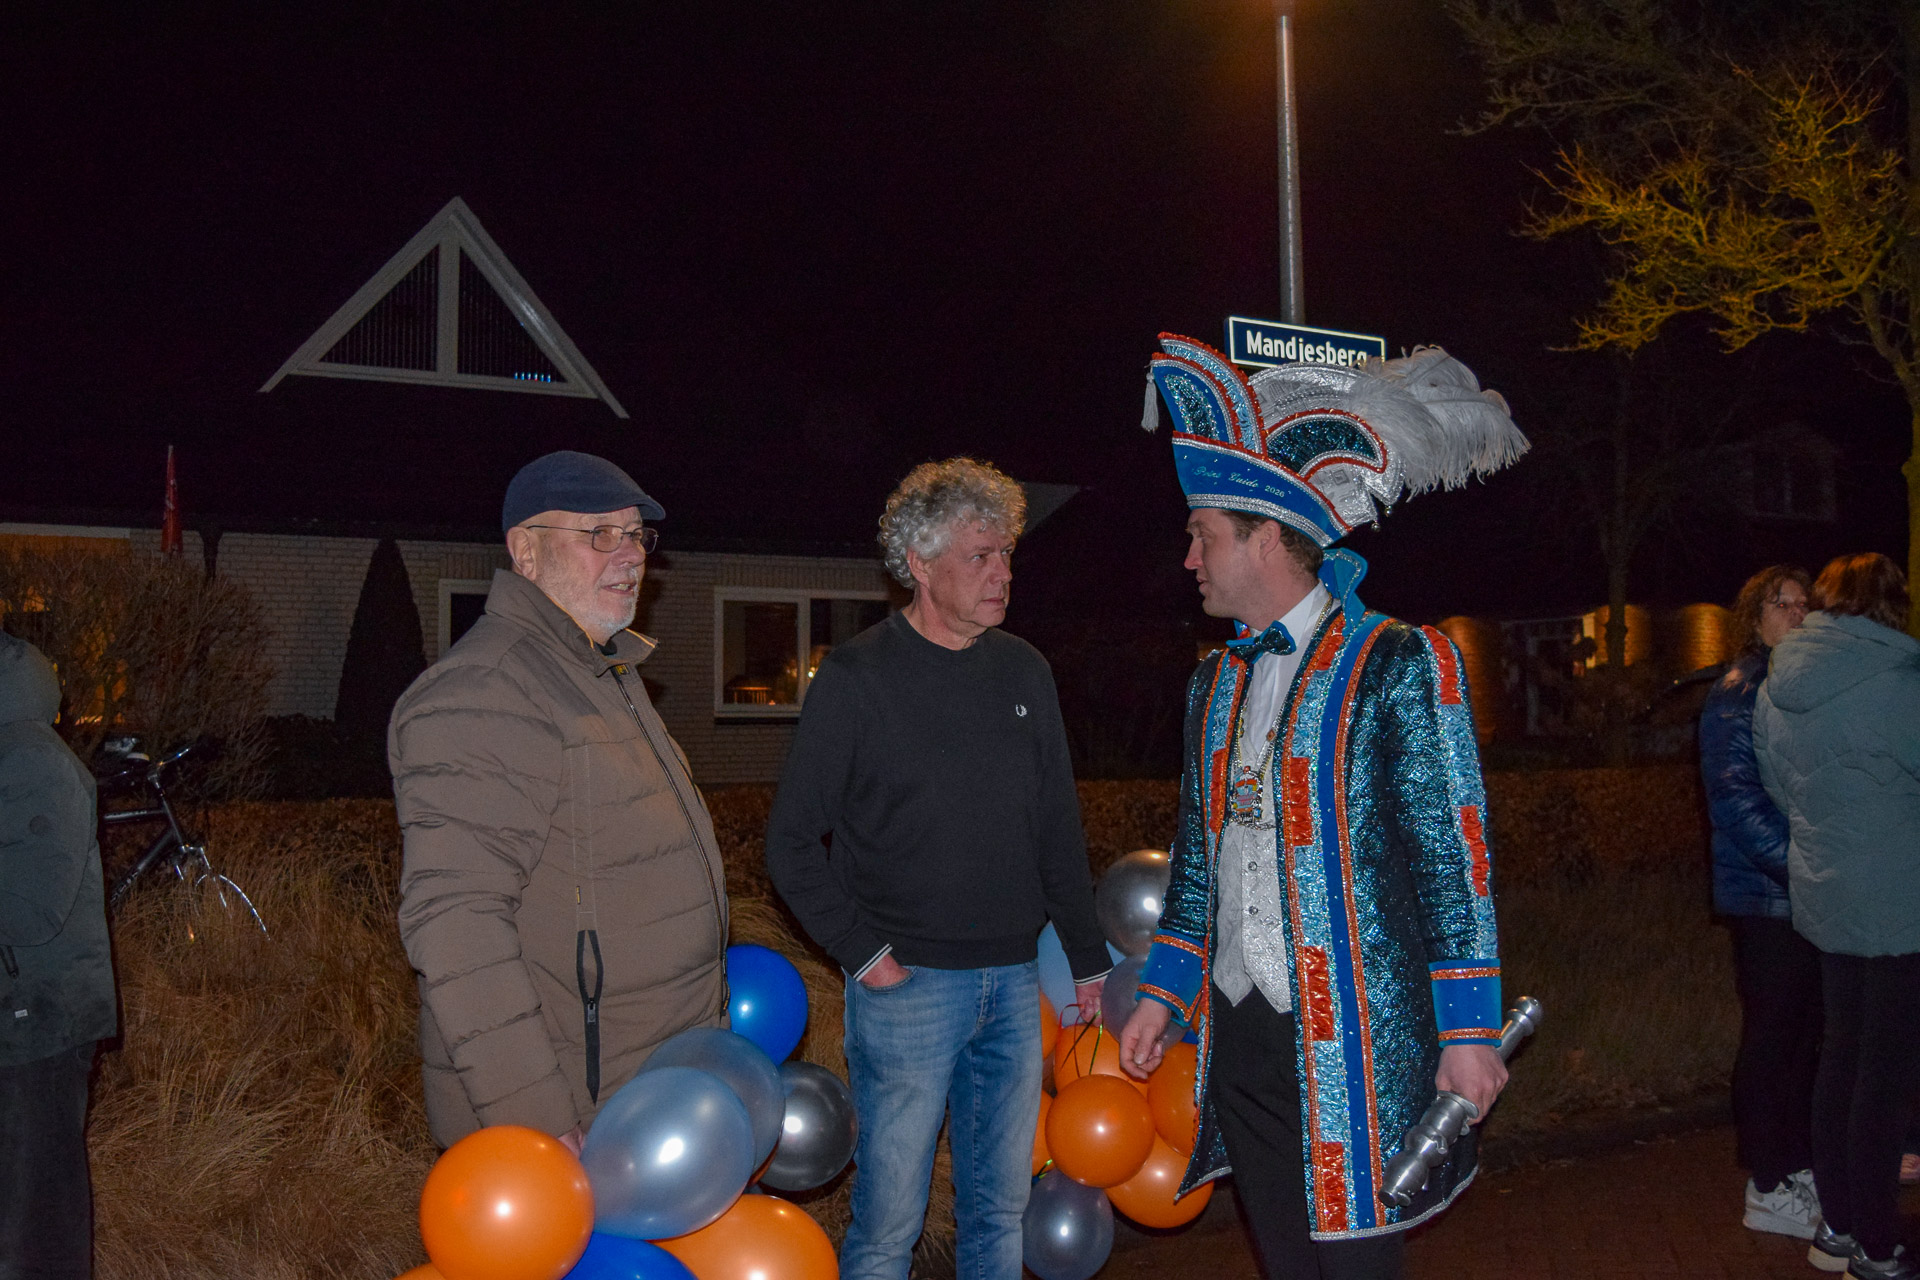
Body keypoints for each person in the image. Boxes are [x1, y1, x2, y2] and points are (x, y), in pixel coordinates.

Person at [1118, 336, 1527, 1280]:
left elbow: (1452, 859)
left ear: (1265, 537)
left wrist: (1469, 1032)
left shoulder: (1399, 661)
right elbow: (1199, 865)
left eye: (1203, 535)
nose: (1189, 558)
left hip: (1354, 1040)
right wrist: (1165, 995)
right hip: (1241, 1035)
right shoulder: (1213, 684)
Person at [765, 457, 1109, 1280]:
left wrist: (1088, 958)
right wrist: (865, 955)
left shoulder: (1025, 671)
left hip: (1013, 984)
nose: (1003, 574)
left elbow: (1056, 827)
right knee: (891, 1222)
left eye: (1007, 554)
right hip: (908, 988)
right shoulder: (857, 678)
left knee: (1000, 1212)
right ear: (919, 564)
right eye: (980, 557)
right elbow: (791, 842)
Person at [391, 450, 728, 1152]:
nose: (630, 554)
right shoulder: (488, 690)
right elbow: (457, 923)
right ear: (526, 552)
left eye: (635, 534)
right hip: (580, 1112)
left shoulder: (603, 673)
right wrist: (538, 1120)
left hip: (650, 1086)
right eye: (598, 533)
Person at [1755, 552, 1920, 1280]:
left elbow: (1780, 790)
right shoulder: (1901, 681)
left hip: (1825, 893)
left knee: (1841, 1059)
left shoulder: (1777, 685)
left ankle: (1838, 1228)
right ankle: (1878, 1248)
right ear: (1892, 604)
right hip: (1900, 899)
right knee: (1884, 1075)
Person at [1699, 565, 1822, 1238]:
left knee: (1805, 1037)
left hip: (1802, 893)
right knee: (1775, 1038)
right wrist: (1805, 868)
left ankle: (1795, 1167)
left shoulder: (1796, 687)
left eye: (1805, 604)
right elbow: (1738, 801)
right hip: (1769, 898)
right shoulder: (1740, 693)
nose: (1798, 614)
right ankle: (1769, 1185)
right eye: (1783, 604)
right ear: (1754, 617)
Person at [0, 633, 115, 1280]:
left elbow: (30, 908)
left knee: (34, 1230)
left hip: (37, 1027)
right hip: (19, 1019)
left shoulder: (33, 761)